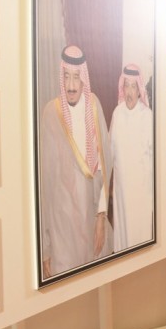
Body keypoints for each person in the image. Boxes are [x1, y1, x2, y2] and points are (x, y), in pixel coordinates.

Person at [38, 45, 113, 278]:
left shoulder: (94, 105)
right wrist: (46, 245)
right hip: (62, 221)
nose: (71, 86)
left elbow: (104, 166)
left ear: (84, 79)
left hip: (91, 214)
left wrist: (101, 218)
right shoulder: (51, 113)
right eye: (66, 77)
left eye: (76, 77)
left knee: (96, 281)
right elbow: (45, 183)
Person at [109, 64, 155, 250]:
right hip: (121, 192)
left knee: (140, 239)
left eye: (133, 86)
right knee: (123, 242)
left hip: (141, 192)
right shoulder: (117, 113)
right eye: (126, 85)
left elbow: (154, 160)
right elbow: (110, 153)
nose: (129, 92)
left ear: (139, 89)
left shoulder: (148, 116)